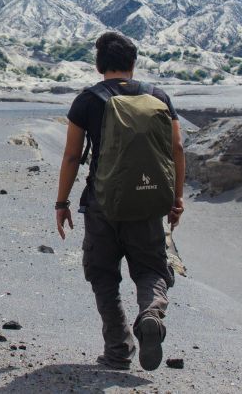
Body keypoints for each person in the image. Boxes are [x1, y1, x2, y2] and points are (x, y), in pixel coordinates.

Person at [55, 31, 185, 371]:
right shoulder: (158, 97)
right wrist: (176, 199)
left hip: (102, 205)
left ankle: (118, 348)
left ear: (100, 66)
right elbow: (177, 150)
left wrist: (61, 203)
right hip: (147, 203)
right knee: (151, 269)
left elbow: (71, 157)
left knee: (102, 276)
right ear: (133, 63)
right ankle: (151, 313)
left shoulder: (87, 100)